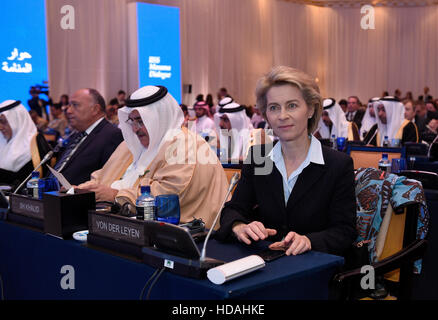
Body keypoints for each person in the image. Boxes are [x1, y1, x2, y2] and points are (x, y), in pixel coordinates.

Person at [216, 66, 357, 257]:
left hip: (313, 269)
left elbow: (344, 231)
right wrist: (239, 226)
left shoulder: (338, 164)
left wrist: (309, 241)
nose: (282, 116)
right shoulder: (259, 158)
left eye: (292, 105)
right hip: (265, 263)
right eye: (274, 108)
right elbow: (232, 210)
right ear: (266, 115)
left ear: (311, 109)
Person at [76, 85, 229, 229]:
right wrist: (78, 192)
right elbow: (103, 176)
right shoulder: (132, 144)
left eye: (141, 121)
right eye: (132, 121)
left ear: (159, 119)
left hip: (181, 232)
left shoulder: (185, 144)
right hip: (122, 223)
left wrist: (115, 195)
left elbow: (167, 197)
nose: (135, 129)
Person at [51, 88, 123, 185]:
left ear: (95, 109)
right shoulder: (77, 134)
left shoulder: (112, 135)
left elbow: (107, 181)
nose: (68, 111)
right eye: (69, 105)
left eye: (75, 105)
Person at [0, 100, 51, 188]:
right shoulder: (2, 142)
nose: (0, 127)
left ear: (17, 120)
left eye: (3, 121)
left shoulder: (36, 143)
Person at [213, 97, 269, 162]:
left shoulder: (256, 136)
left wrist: (224, 160)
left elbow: (251, 160)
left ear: (237, 121)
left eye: (225, 120)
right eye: (220, 119)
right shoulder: (225, 138)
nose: (220, 124)